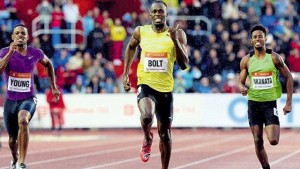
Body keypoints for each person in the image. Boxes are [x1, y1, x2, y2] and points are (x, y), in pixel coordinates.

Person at [122, 1, 189, 169]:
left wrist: (175, 41)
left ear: (166, 14)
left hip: (165, 89)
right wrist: (125, 73)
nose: (158, 14)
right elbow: (131, 47)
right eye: (155, 11)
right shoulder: (141, 32)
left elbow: (184, 64)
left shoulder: (177, 34)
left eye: (162, 11)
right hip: (145, 83)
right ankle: (147, 137)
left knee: (165, 134)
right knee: (146, 116)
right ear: (150, 15)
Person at [0, 24, 60, 169]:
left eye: (23, 33)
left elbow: (49, 65)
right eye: (17, 33)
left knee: (23, 121)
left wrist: (53, 87)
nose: (20, 35)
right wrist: (10, 52)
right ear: (13, 37)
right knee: (12, 140)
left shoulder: (36, 53)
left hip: (28, 98)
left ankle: (22, 161)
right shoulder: (4, 51)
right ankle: (14, 158)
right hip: (11, 100)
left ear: (27, 37)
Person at [239, 24, 293, 169]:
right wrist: (242, 88)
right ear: (251, 40)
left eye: (260, 36)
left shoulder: (274, 58)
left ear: (265, 39)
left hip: (269, 104)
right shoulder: (246, 60)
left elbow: (289, 78)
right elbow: (241, 82)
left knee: (273, 140)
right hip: (253, 104)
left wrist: (288, 103)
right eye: (255, 37)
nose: (258, 39)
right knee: (257, 140)